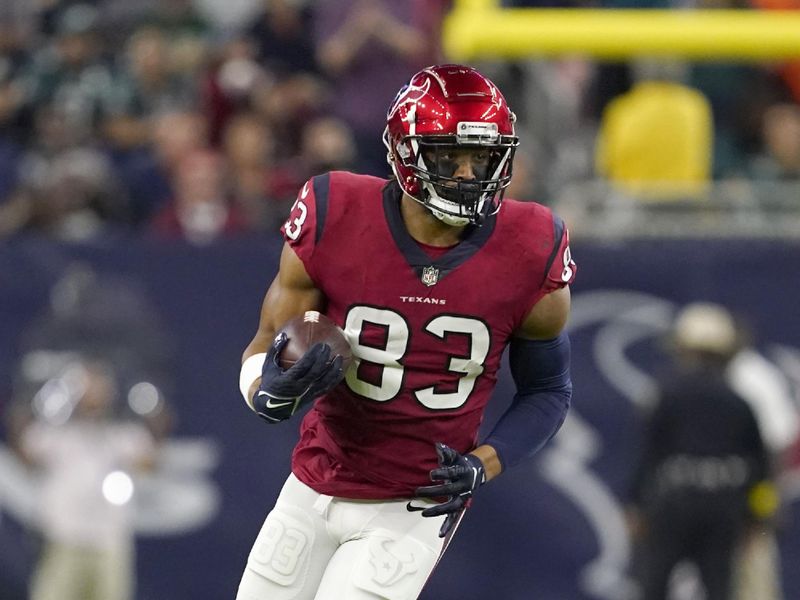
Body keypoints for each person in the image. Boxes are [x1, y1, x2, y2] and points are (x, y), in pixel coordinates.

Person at [235, 64, 577, 600]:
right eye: (450, 157)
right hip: (313, 481)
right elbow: (265, 341)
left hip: (413, 501)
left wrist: (482, 465)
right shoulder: (335, 210)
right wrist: (266, 390)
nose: (468, 175)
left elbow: (549, 390)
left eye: (481, 158)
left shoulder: (532, 246)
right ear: (405, 152)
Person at [626, 302, 774, 600]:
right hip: (724, 509)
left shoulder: (666, 396)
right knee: (719, 589)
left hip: (672, 505)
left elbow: (649, 455)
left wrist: (635, 505)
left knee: (653, 586)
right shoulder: (740, 402)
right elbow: (760, 469)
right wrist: (758, 519)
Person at [7, 358, 162, 600]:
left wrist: (156, 416)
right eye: (87, 388)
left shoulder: (122, 434)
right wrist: (23, 409)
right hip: (63, 541)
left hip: (109, 543)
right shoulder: (55, 433)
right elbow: (26, 454)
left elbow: (149, 462)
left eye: (99, 388)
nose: (93, 395)